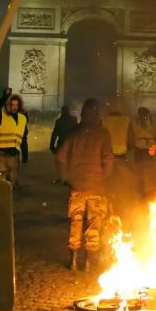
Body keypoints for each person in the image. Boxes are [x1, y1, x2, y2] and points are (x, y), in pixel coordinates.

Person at [56, 98, 114, 271]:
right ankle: (89, 261)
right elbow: (109, 159)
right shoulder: (103, 134)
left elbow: (60, 156)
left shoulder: (74, 133)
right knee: (94, 224)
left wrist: (66, 177)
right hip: (97, 186)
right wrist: (105, 179)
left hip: (76, 186)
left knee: (75, 221)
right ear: (97, 115)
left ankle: (74, 260)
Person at [0, 90, 29, 189]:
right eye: (12, 104)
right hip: (1, 153)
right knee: (1, 178)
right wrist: (4, 97)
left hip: (14, 154)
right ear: (8, 105)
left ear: (20, 105)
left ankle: (8, 197)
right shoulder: (1, 116)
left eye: (16, 105)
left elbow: (23, 137)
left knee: (12, 178)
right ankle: (1, 197)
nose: (14, 107)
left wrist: (25, 152)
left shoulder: (22, 118)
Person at [132, 107, 156, 198]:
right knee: (139, 171)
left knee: (149, 170)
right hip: (139, 149)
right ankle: (140, 190)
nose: (143, 117)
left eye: (144, 115)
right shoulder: (135, 122)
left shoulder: (152, 122)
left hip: (149, 149)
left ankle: (149, 190)